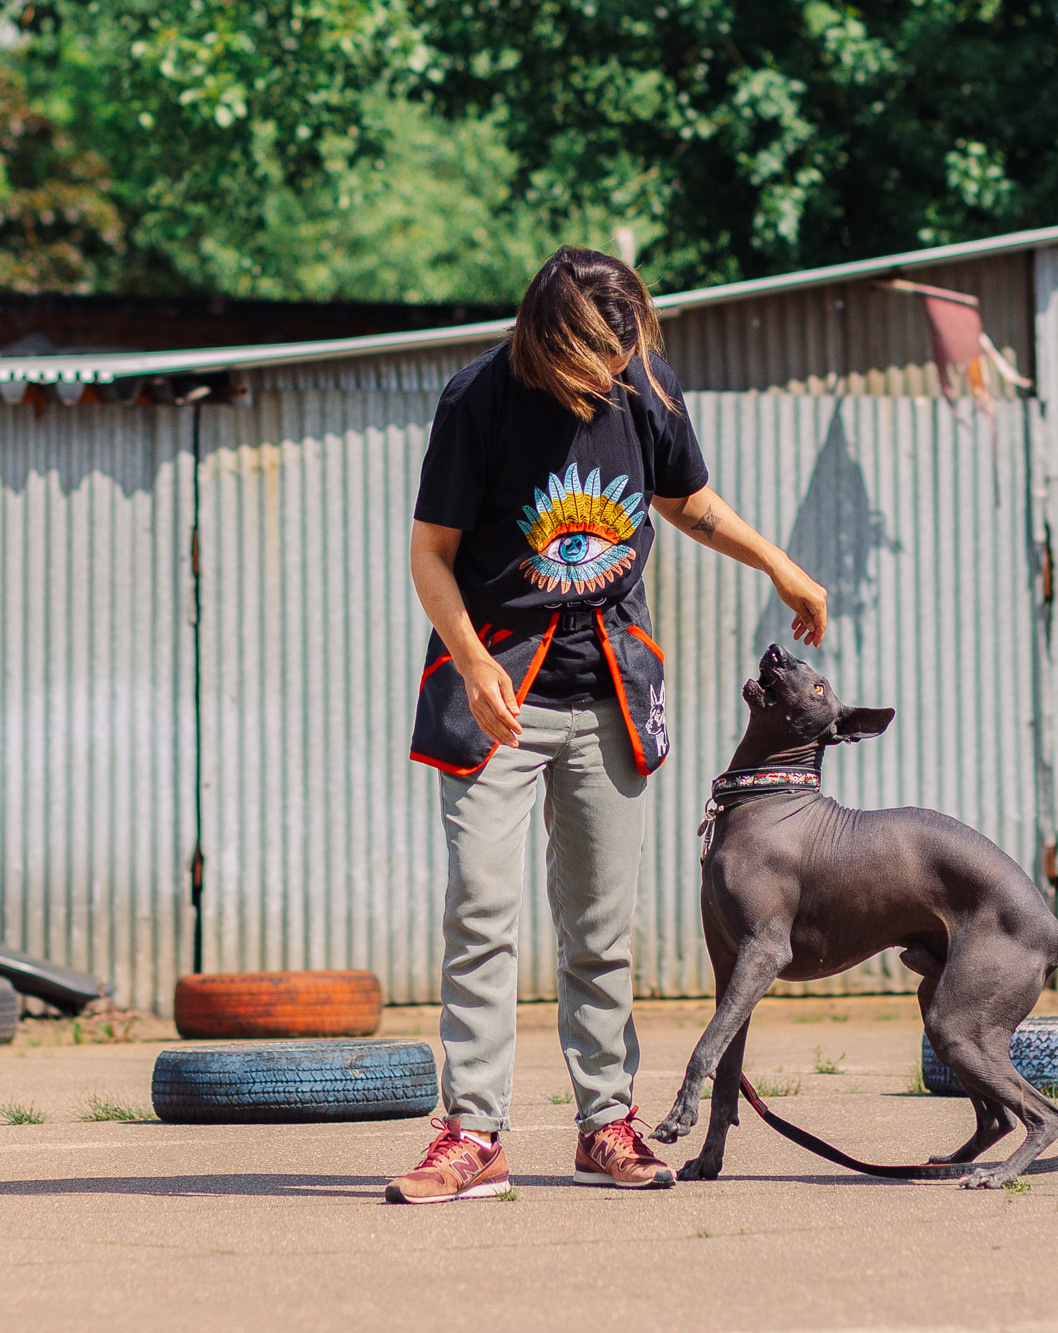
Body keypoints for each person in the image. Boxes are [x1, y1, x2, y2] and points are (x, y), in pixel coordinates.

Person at [388, 247, 828, 1203]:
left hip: (609, 691)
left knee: (599, 926)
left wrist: (777, 564)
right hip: (500, 687)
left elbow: (686, 500)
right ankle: (472, 1134)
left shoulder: (644, 379)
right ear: (550, 337)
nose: (612, 372)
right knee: (482, 916)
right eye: (595, 355)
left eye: (625, 352)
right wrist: (469, 664)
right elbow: (430, 554)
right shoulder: (479, 399)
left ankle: (605, 1125)